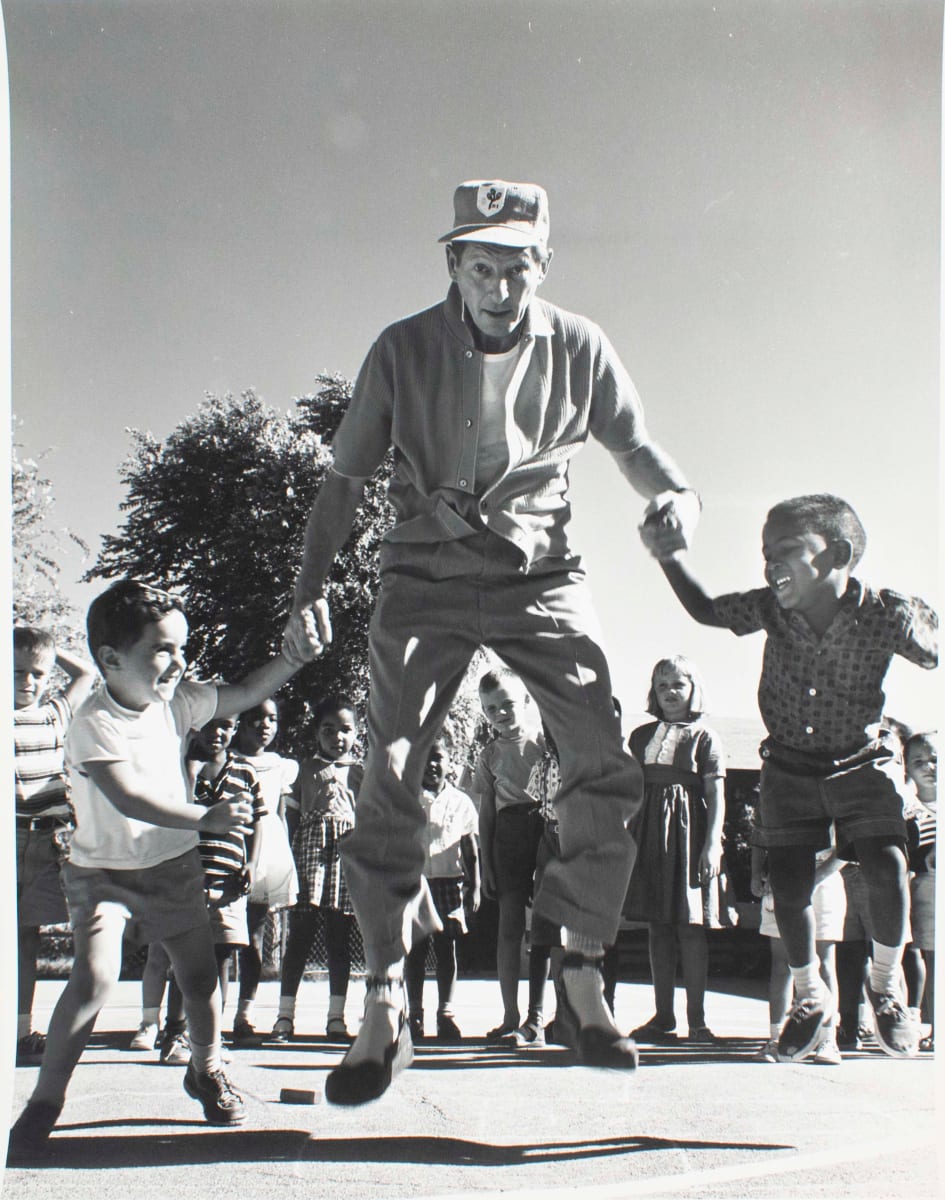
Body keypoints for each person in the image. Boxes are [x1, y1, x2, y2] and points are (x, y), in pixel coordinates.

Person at [282, 178, 702, 1105]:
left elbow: (637, 448)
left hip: (542, 578)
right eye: (483, 268)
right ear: (453, 267)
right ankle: (384, 1002)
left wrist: (677, 495)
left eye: (517, 269)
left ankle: (582, 964)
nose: (500, 289)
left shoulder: (580, 345)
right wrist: (307, 591)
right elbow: (345, 482)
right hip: (423, 575)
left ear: (541, 266)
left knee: (600, 749)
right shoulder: (400, 350)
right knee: (386, 766)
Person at [8, 579, 319, 1152]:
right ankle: (45, 1100)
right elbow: (128, 797)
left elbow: (249, 690)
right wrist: (206, 818)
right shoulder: (93, 722)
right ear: (110, 659)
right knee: (95, 977)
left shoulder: (177, 701)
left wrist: (293, 657)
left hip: (170, 866)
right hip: (100, 873)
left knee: (199, 978)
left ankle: (206, 1068)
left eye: (183, 647)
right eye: (163, 649)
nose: (180, 662)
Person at [642, 492, 938, 1061]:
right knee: (790, 878)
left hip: (860, 759)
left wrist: (921, 624)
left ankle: (884, 984)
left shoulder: (884, 612)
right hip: (789, 763)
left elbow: (932, 651)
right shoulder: (771, 610)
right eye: (764, 553)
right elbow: (707, 610)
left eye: (785, 552)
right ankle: (808, 993)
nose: (769, 565)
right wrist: (669, 555)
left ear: (839, 555)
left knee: (887, 859)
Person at [624, 656, 738, 1045]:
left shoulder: (706, 738)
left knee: (690, 926)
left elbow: (715, 793)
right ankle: (663, 1017)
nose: (670, 693)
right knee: (658, 925)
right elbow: (632, 789)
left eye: (678, 685)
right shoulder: (640, 737)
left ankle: (698, 1021)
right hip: (648, 834)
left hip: (690, 834)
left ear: (693, 689)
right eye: (662, 686)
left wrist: (712, 845)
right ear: (653, 693)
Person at [13, 627, 96, 1064]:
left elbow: (86, 673)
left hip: (45, 841)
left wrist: (47, 648)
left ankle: (22, 1030)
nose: (27, 681)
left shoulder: (54, 714)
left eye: (36, 673)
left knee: (27, 938)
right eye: (17, 672)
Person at [270, 693, 362, 1042]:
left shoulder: (360, 774)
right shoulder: (302, 770)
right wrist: (287, 865)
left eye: (345, 729)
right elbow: (289, 820)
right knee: (301, 935)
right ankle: (284, 1017)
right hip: (309, 855)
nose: (338, 737)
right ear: (316, 733)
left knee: (339, 937)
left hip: (345, 860)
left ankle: (336, 1018)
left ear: (356, 732)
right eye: (329, 730)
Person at [471, 667, 545, 1040]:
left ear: (527, 701)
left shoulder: (546, 743)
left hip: (546, 830)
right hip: (508, 836)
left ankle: (540, 1016)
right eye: (491, 709)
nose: (500, 713)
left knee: (547, 929)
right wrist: (486, 864)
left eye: (508, 704)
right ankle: (510, 1015)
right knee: (509, 928)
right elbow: (486, 812)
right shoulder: (488, 755)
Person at [230, 698, 300, 1044]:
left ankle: (245, 1013)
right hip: (230, 847)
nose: (265, 725)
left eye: (271, 718)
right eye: (256, 718)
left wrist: (283, 859)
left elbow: (281, 814)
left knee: (254, 938)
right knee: (222, 940)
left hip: (265, 851)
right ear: (241, 724)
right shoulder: (226, 761)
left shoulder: (279, 765)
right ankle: (211, 1010)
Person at [405, 739, 481, 1042]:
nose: (431, 765)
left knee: (447, 949)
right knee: (416, 952)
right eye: (424, 759)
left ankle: (446, 1014)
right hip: (417, 883)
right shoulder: (407, 798)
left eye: (437, 758)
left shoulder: (461, 801)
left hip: (449, 882)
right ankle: (414, 1015)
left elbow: (469, 846)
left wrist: (474, 885)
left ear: (450, 762)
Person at [752, 833, 846, 1064]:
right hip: (781, 879)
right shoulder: (772, 797)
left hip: (825, 881)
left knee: (824, 961)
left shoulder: (835, 796)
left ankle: (827, 1039)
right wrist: (755, 874)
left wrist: (814, 878)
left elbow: (847, 848)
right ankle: (777, 1039)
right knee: (781, 962)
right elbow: (759, 836)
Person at [903, 730, 936, 1052]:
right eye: (920, 762)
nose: (929, 767)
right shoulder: (911, 811)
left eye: (936, 760)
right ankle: (930, 1025)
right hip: (924, 891)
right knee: (928, 956)